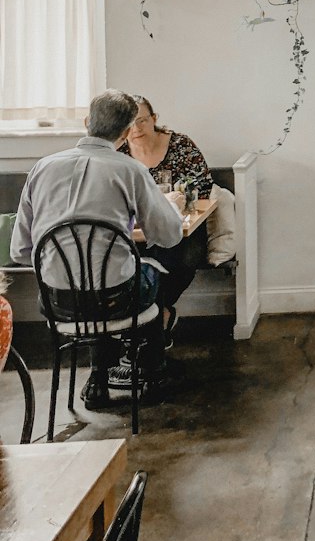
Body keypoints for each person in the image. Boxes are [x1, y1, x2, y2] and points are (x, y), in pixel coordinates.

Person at [10, 90, 184, 407]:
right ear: (127, 130)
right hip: (117, 302)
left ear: (87, 122)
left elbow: (21, 252)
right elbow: (170, 235)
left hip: (56, 302)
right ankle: (154, 376)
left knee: (94, 279)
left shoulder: (42, 168)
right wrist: (169, 205)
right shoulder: (130, 171)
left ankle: (97, 380)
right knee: (150, 276)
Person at [119, 95, 213, 332]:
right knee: (128, 260)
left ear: (154, 119)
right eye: (130, 123)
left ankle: (158, 313)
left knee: (177, 259)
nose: (137, 128)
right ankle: (152, 322)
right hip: (138, 229)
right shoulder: (119, 155)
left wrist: (180, 200)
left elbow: (203, 188)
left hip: (183, 226)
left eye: (142, 120)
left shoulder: (180, 145)